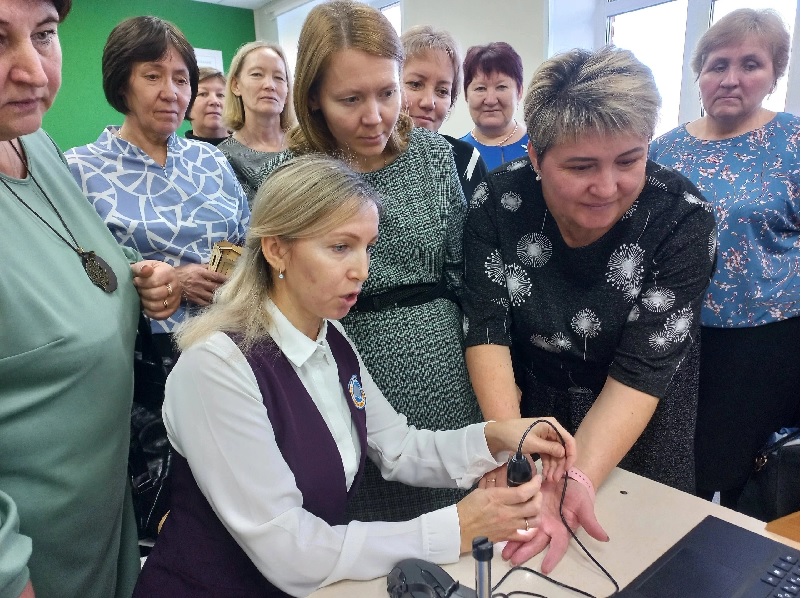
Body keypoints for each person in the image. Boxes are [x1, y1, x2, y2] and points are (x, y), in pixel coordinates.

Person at [133, 153, 575, 598]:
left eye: (368, 246)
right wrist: (454, 528)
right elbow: (288, 548)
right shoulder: (216, 368)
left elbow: (400, 448)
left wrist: (499, 436)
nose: (362, 269)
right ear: (275, 249)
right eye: (340, 247)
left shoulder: (332, 339)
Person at [462, 46, 717, 573]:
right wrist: (517, 454)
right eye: (580, 167)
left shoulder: (682, 217)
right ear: (534, 157)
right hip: (535, 398)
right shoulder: (497, 201)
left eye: (630, 161)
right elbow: (487, 329)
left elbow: (643, 369)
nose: (607, 188)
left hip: (637, 411)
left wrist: (576, 478)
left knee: (635, 551)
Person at [256, 0, 483, 523]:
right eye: (350, 99)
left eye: (387, 92)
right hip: (338, 372)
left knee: (457, 528)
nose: (375, 115)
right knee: (363, 533)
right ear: (312, 97)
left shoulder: (433, 156)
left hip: (444, 371)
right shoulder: (293, 177)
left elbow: (466, 275)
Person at [0, 1, 180, 597]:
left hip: (100, 523)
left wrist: (136, 279)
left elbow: (65, 263)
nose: (33, 70)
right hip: (32, 556)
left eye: (45, 36)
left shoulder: (35, 144)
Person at [649, 8, 800, 511]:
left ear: (775, 73)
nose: (731, 79)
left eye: (750, 65)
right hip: (679, 336)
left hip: (768, 341)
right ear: (699, 75)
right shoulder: (665, 150)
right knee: (685, 461)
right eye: (717, 65)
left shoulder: (793, 143)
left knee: (753, 472)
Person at [66, 16, 250, 358]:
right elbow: (69, 276)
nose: (171, 93)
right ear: (122, 84)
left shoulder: (210, 160)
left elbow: (248, 240)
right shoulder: (79, 170)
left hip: (233, 342)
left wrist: (238, 274)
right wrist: (172, 282)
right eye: (152, 76)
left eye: (181, 80)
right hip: (140, 358)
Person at [400, 25, 488, 201]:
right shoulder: (365, 160)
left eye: (442, 91)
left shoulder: (466, 160)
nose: (429, 102)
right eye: (415, 84)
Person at [218, 42, 295, 204]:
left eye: (279, 78)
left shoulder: (309, 145)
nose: (269, 85)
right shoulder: (221, 159)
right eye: (257, 74)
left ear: (287, 91)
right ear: (235, 85)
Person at [459, 42, 529, 170]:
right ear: (466, 94)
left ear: (519, 92)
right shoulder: (455, 154)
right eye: (480, 88)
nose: (490, 100)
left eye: (501, 87)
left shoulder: (541, 147)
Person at [185, 67, 228, 145]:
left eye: (220, 95)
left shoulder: (251, 150)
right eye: (203, 94)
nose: (215, 101)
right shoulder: (174, 154)